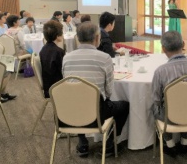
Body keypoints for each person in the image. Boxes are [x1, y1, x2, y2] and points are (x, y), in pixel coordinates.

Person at [62, 22, 129, 158]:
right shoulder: (104, 58)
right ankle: (110, 143)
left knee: (78, 99)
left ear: (78, 38)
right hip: (97, 111)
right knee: (124, 105)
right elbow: (109, 92)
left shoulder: (66, 58)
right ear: (97, 38)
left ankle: (82, 142)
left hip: (70, 110)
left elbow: (67, 85)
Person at [152, 31, 187, 157]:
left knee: (153, 107)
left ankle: (170, 144)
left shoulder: (160, 71)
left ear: (163, 48)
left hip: (170, 117)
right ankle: (185, 142)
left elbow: (156, 100)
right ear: (183, 44)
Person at [39, 21, 65, 98]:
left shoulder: (43, 49)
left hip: (48, 86)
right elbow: (63, 71)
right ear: (57, 36)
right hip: (56, 87)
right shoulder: (58, 51)